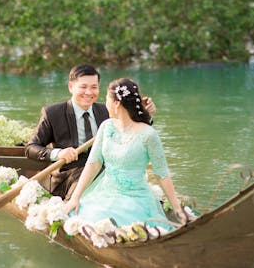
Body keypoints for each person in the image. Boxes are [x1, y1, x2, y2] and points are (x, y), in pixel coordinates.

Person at [64, 78, 187, 228]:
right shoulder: (106, 126)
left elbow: (162, 174)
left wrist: (177, 209)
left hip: (134, 197)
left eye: (107, 99)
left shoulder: (148, 134)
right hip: (104, 192)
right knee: (75, 215)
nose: (105, 104)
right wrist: (75, 197)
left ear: (116, 103)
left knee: (110, 223)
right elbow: (93, 164)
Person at [25, 65, 156, 199]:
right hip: (68, 175)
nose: (89, 92)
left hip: (105, 171)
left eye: (94, 87)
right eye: (83, 87)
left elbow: (132, 132)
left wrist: (146, 115)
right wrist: (58, 153)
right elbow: (30, 148)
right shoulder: (52, 113)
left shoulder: (107, 110)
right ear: (71, 87)